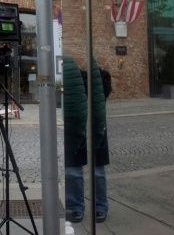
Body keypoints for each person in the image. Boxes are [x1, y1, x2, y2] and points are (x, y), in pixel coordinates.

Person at [63, 57, 110, 224]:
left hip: (94, 124)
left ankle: (99, 206)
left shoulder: (96, 71)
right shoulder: (66, 69)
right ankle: (75, 206)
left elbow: (104, 93)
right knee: (72, 171)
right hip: (74, 125)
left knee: (97, 171)